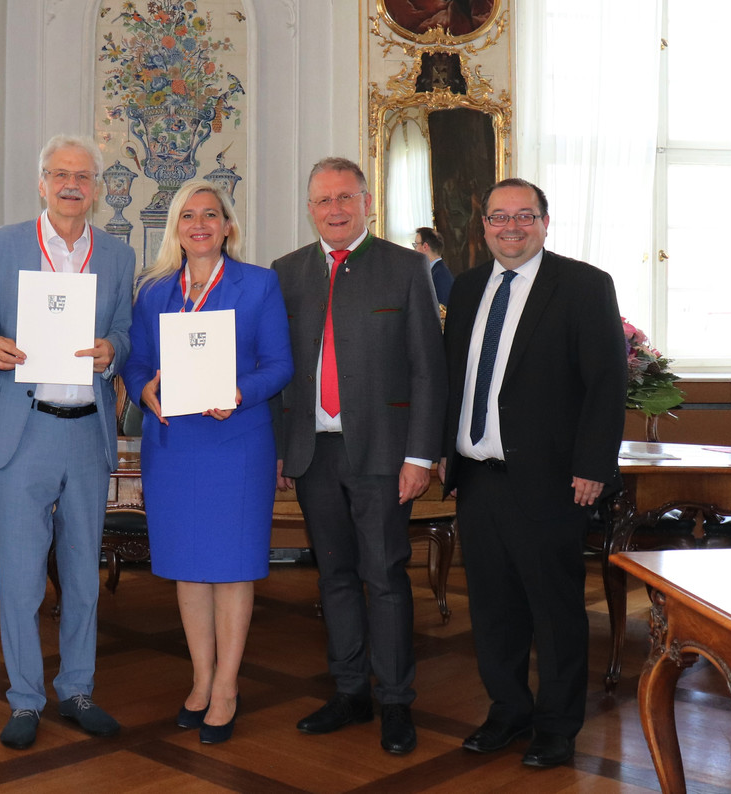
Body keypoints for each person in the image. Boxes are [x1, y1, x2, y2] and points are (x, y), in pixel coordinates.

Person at [439, 178, 626, 769]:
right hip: (478, 476)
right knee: (493, 609)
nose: (510, 227)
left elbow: (606, 383)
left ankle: (558, 725)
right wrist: (444, 449)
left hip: (551, 481)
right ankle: (508, 711)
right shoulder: (467, 289)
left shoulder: (583, 285)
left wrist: (593, 465)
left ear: (546, 222)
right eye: (498, 218)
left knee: (555, 610)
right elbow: (454, 378)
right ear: (484, 227)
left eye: (524, 216)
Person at [0, 134, 134, 751]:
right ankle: (26, 698)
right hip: (24, 431)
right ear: (42, 182)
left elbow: (124, 328)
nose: (71, 185)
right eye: (60, 174)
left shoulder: (117, 253)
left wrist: (116, 348)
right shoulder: (5, 246)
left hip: (87, 430)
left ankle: (79, 689)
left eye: (83, 177)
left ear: (96, 188)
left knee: (83, 572)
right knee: (23, 577)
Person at [271, 157, 446, 756]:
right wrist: (279, 450)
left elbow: (429, 367)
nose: (335, 210)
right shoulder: (287, 272)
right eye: (323, 201)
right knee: (335, 577)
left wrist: (421, 454)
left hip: (383, 454)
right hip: (312, 453)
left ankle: (396, 700)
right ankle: (350, 692)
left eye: (346, 198)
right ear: (311, 208)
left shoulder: (405, 268)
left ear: (367, 203)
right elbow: (277, 368)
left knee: (386, 577)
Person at [121, 179, 292, 744]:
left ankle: (227, 686)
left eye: (211, 215)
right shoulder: (153, 292)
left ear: (227, 226)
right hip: (174, 445)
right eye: (189, 215)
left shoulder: (259, 285)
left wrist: (239, 393)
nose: (200, 224)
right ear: (177, 226)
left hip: (236, 443)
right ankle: (199, 679)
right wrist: (143, 388)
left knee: (233, 566)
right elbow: (138, 362)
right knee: (188, 567)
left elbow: (279, 365)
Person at [415, 226, 453, 306]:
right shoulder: (436, 271)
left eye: (416, 245)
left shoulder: (440, 275)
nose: (415, 250)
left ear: (425, 246)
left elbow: (442, 312)